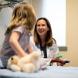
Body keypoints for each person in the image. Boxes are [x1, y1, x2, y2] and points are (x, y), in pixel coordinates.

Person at [0, 2, 36, 68]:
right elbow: (12, 41)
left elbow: (29, 48)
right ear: (30, 16)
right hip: (7, 59)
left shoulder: (27, 32)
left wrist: (34, 59)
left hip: (16, 58)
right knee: (27, 66)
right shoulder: (19, 27)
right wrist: (24, 56)